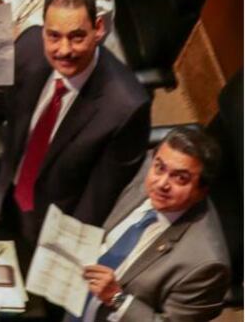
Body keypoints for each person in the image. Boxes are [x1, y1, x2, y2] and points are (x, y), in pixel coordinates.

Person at [0, 0, 150, 246]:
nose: (63, 50)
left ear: (98, 29)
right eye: (53, 36)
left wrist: (56, 257)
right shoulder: (30, 45)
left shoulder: (127, 109)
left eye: (77, 37)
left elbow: (96, 202)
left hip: (51, 230)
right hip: (6, 196)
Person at [70, 127, 230, 321]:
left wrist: (116, 298)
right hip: (69, 285)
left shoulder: (206, 265)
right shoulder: (145, 167)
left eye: (180, 178)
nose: (162, 183)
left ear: (202, 191)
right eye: (160, 167)